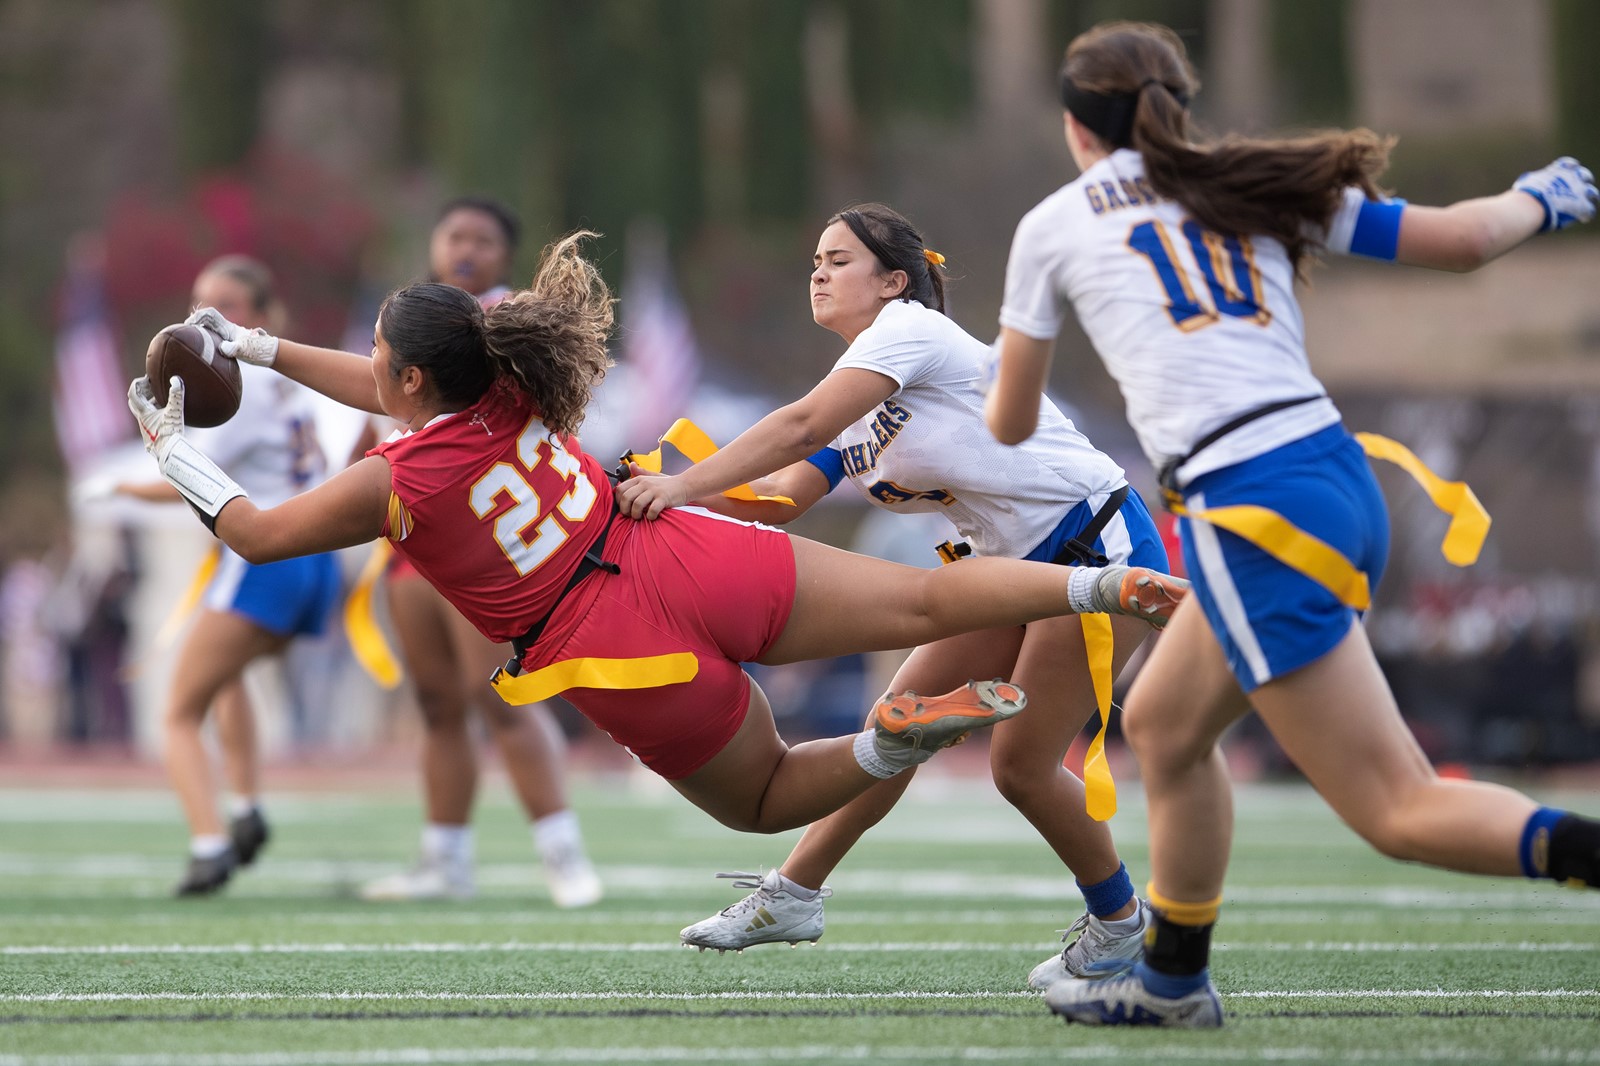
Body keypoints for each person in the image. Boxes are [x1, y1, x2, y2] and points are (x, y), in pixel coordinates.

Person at [127, 231, 1186, 853]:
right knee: (915, 604)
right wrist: (259, 349)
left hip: (614, 641)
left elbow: (259, 535)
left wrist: (171, 445)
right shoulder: (502, 382)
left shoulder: (398, 477)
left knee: (768, 796)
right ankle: (1090, 585)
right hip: (670, 542)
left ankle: (894, 739)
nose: (370, 366)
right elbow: (391, 382)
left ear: (409, 381)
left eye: (377, 356)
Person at [985, 20, 1600, 1028]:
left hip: (1251, 502)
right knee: (1160, 724)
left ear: (1073, 127)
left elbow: (1009, 423)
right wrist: (1541, 196)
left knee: (1395, 809)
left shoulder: (1056, 222)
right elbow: (1458, 241)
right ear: (1176, 103)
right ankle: (1173, 978)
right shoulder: (1250, 181)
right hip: (1334, 479)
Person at [616, 203, 1166, 986]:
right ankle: (795, 893)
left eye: (839, 259)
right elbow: (780, 495)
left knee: (1020, 766)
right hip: (1008, 566)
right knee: (896, 729)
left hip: (1095, 539)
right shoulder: (866, 385)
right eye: (815, 258)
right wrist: (667, 492)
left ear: (895, 282)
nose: (818, 271)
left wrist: (684, 483)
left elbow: (801, 423)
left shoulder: (911, 330)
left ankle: (1119, 924)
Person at [358, 197, 601, 907]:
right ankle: (445, 857)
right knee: (436, 704)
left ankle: (562, 853)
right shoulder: (405, 325)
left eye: (485, 240)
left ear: (506, 254)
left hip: (482, 536)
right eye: (455, 234)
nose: (467, 248)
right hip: (412, 537)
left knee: (501, 697)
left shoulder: (504, 326)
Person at [108, 255, 339, 895]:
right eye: (198, 301)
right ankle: (245, 806)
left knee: (177, 712)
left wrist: (131, 481)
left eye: (229, 305)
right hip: (313, 563)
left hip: (265, 562)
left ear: (263, 319)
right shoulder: (284, 381)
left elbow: (194, 475)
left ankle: (210, 845)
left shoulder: (246, 388)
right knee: (225, 677)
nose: (206, 318)